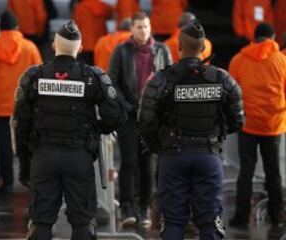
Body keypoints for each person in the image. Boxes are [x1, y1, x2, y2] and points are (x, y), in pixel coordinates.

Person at [10, 20, 126, 240]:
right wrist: (97, 128)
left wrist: (25, 164)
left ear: (53, 45)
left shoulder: (34, 76)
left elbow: (20, 124)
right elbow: (117, 115)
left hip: (44, 156)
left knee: (40, 222)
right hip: (79, 156)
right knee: (83, 223)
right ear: (81, 49)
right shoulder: (93, 77)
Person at [138, 19, 244, 240]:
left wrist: (158, 146)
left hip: (173, 156)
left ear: (178, 46)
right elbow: (238, 119)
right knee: (210, 222)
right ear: (203, 47)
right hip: (208, 154)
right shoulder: (221, 78)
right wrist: (217, 134)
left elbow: (145, 121)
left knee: (174, 221)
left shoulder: (161, 79)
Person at [108, 11, 172, 227]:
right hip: (129, 116)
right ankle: (127, 206)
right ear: (131, 29)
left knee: (148, 165)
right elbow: (113, 82)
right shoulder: (121, 51)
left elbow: (169, 81)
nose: (143, 31)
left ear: (150, 27)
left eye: (146, 26)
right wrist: (126, 106)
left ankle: (144, 206)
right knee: (129, 162)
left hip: (152, 117)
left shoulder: (162, 50)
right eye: (139, 27)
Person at [0, 11, 42, 194]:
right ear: (17, 27)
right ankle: (30, 180)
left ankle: (6, 181)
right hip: (25, 105)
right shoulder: (30, 48)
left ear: (1, 27)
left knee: (5, 145)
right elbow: (39, 78)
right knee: (28, 143)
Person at [228, 23, 286, 227]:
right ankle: (277, 214)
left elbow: (231, 93)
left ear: (254, 38)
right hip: (273, 125)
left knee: (246, 171)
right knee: (273, 172)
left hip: (247, 124)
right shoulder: (282, 61)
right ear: (272, 38)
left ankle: (242, 216)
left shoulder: (239, 60)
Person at [72, 0, 113, 65]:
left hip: (86, 42)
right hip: (100, 41)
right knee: (100, 64)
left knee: (86, 65)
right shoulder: (103, 6)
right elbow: (110, 14)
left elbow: (76, 23)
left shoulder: (80, 7)